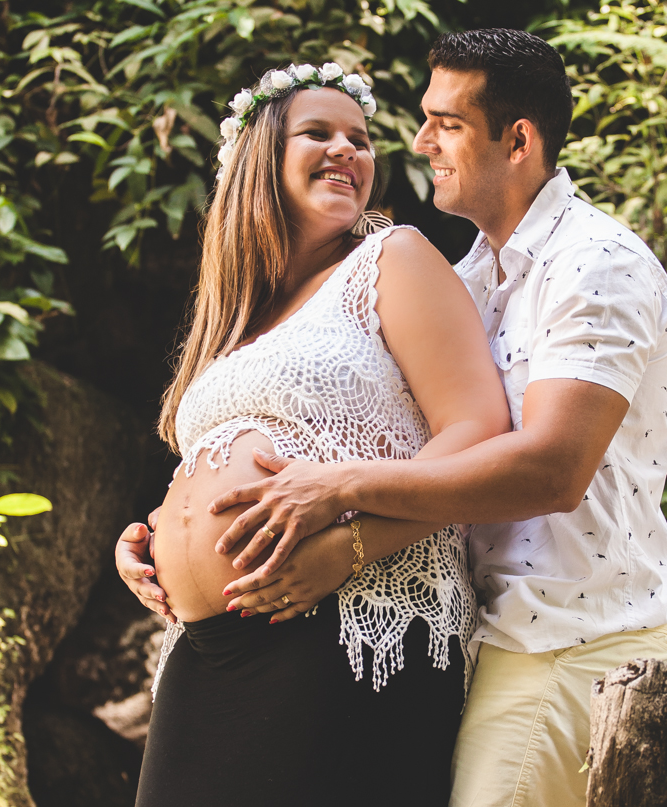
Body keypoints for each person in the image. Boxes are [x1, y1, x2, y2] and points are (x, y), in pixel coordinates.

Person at [121, 29, 667, 806]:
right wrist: (160, 535)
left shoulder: (590, 261)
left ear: (517, 139)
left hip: (563, 632)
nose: (412, 142)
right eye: (321, 133)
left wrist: (348, 526)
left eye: (444, 123)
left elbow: (545, 464)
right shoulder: (474, 274)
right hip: (462, 624)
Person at [127, 61, 511, 807]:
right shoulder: (241, 317)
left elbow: (477, 429)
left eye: (360, 139)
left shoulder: (391, 258)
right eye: (319, 133)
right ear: (258, 159)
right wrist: (150, 541)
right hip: (205, 650)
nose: (347, 150)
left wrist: (350, 544)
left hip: (347, 620)